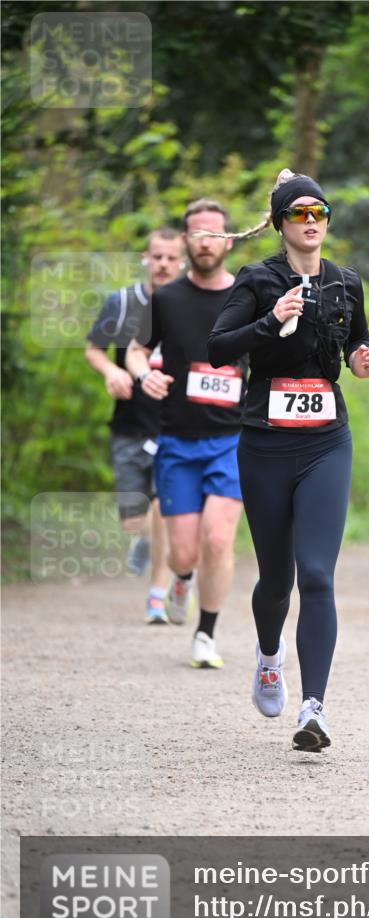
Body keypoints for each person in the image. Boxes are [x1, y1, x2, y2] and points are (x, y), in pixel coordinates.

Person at [208, 170, 369, 751]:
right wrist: (270, 319)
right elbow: (218, 347)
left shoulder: (347, 282)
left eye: (319, 213)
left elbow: (354, 343)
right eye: (299, 213)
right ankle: (268, 656)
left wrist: (361, 362)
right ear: (280, 223)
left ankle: (314, 709)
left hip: (326, 440)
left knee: (317, 575)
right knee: (277, 580)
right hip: (265, 443)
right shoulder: (258, 279)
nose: (311, 222)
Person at [125, 198, 247, 668]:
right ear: (184, 241)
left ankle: (205, 634)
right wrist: (144, 375)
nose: (205, 242)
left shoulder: (248, 297)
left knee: (218, 539)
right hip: (177, 441)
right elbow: (136, 350)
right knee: (183, 553)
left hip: (232, 441)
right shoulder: (168, 298)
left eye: (214, 233)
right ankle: (181, 579)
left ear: (228, 240)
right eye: (197, 234)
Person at [85, 228, 184, 624]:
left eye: (171, 258)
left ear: (182, 262)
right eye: (157, 257)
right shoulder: (123, 303)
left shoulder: (190, 303)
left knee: (163, 509)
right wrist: (112, 371)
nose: (163, 264)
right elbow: (94, 349)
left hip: (173, 426)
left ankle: (156, 597)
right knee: (134, 521)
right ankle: (143, 540)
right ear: (146, 257)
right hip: (129, 424)